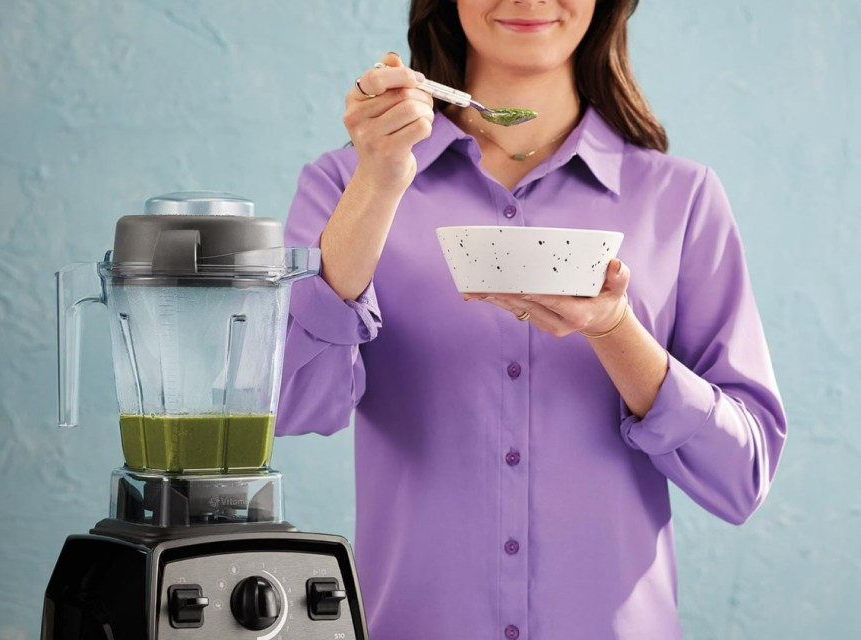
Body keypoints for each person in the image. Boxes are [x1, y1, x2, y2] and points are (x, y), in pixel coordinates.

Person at [275, 0, 787, 637]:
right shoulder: (347, 185)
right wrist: (378, 183)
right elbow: (292, 403)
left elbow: (743, 477)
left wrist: (616, 332)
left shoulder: (681, 200)